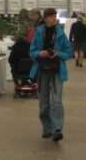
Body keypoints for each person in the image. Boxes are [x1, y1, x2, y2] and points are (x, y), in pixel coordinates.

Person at [30, 8, 73, 142]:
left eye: (55, 16)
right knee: (43, 103)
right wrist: (40, 53)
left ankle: (57, 129)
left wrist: (58, 54)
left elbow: (69, 52)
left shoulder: (60, 33)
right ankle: (47, 128)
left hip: (56, 70)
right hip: (42, 70)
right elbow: (32, 52)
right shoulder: (38, 32)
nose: (55, 18)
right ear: (46, 18)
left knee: (56, 101)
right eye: (52, 16)